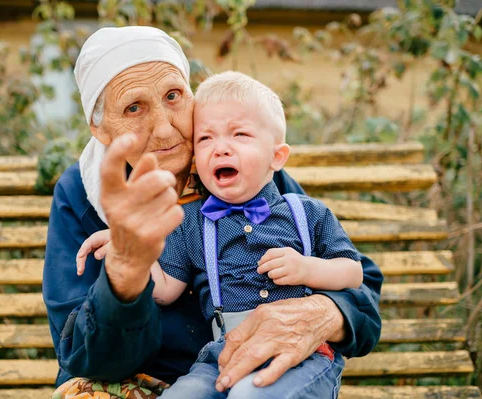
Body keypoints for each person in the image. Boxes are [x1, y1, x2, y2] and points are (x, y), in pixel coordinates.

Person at [43, 26, 383, 399]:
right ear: (100, 126)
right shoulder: (82, 195)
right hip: (170, 381)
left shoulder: (244, 171)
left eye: (173, 96)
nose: (162, 127)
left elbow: (360, 289)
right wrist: (126, 275)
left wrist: (323, 314)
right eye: (133, 107)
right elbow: (84, 357)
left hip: (255, 379)